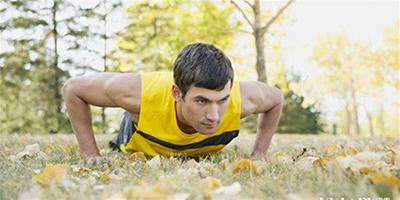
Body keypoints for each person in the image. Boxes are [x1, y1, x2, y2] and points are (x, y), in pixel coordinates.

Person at [63, 43, 283, 165]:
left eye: (222, 100)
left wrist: (259, 155)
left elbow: (276, 99)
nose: (214, 115)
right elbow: (73, 89)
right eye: (201, 101)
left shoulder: (243, 99)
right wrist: (90, 154)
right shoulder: (137, 93)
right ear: (177, 93)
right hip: (142, 131)